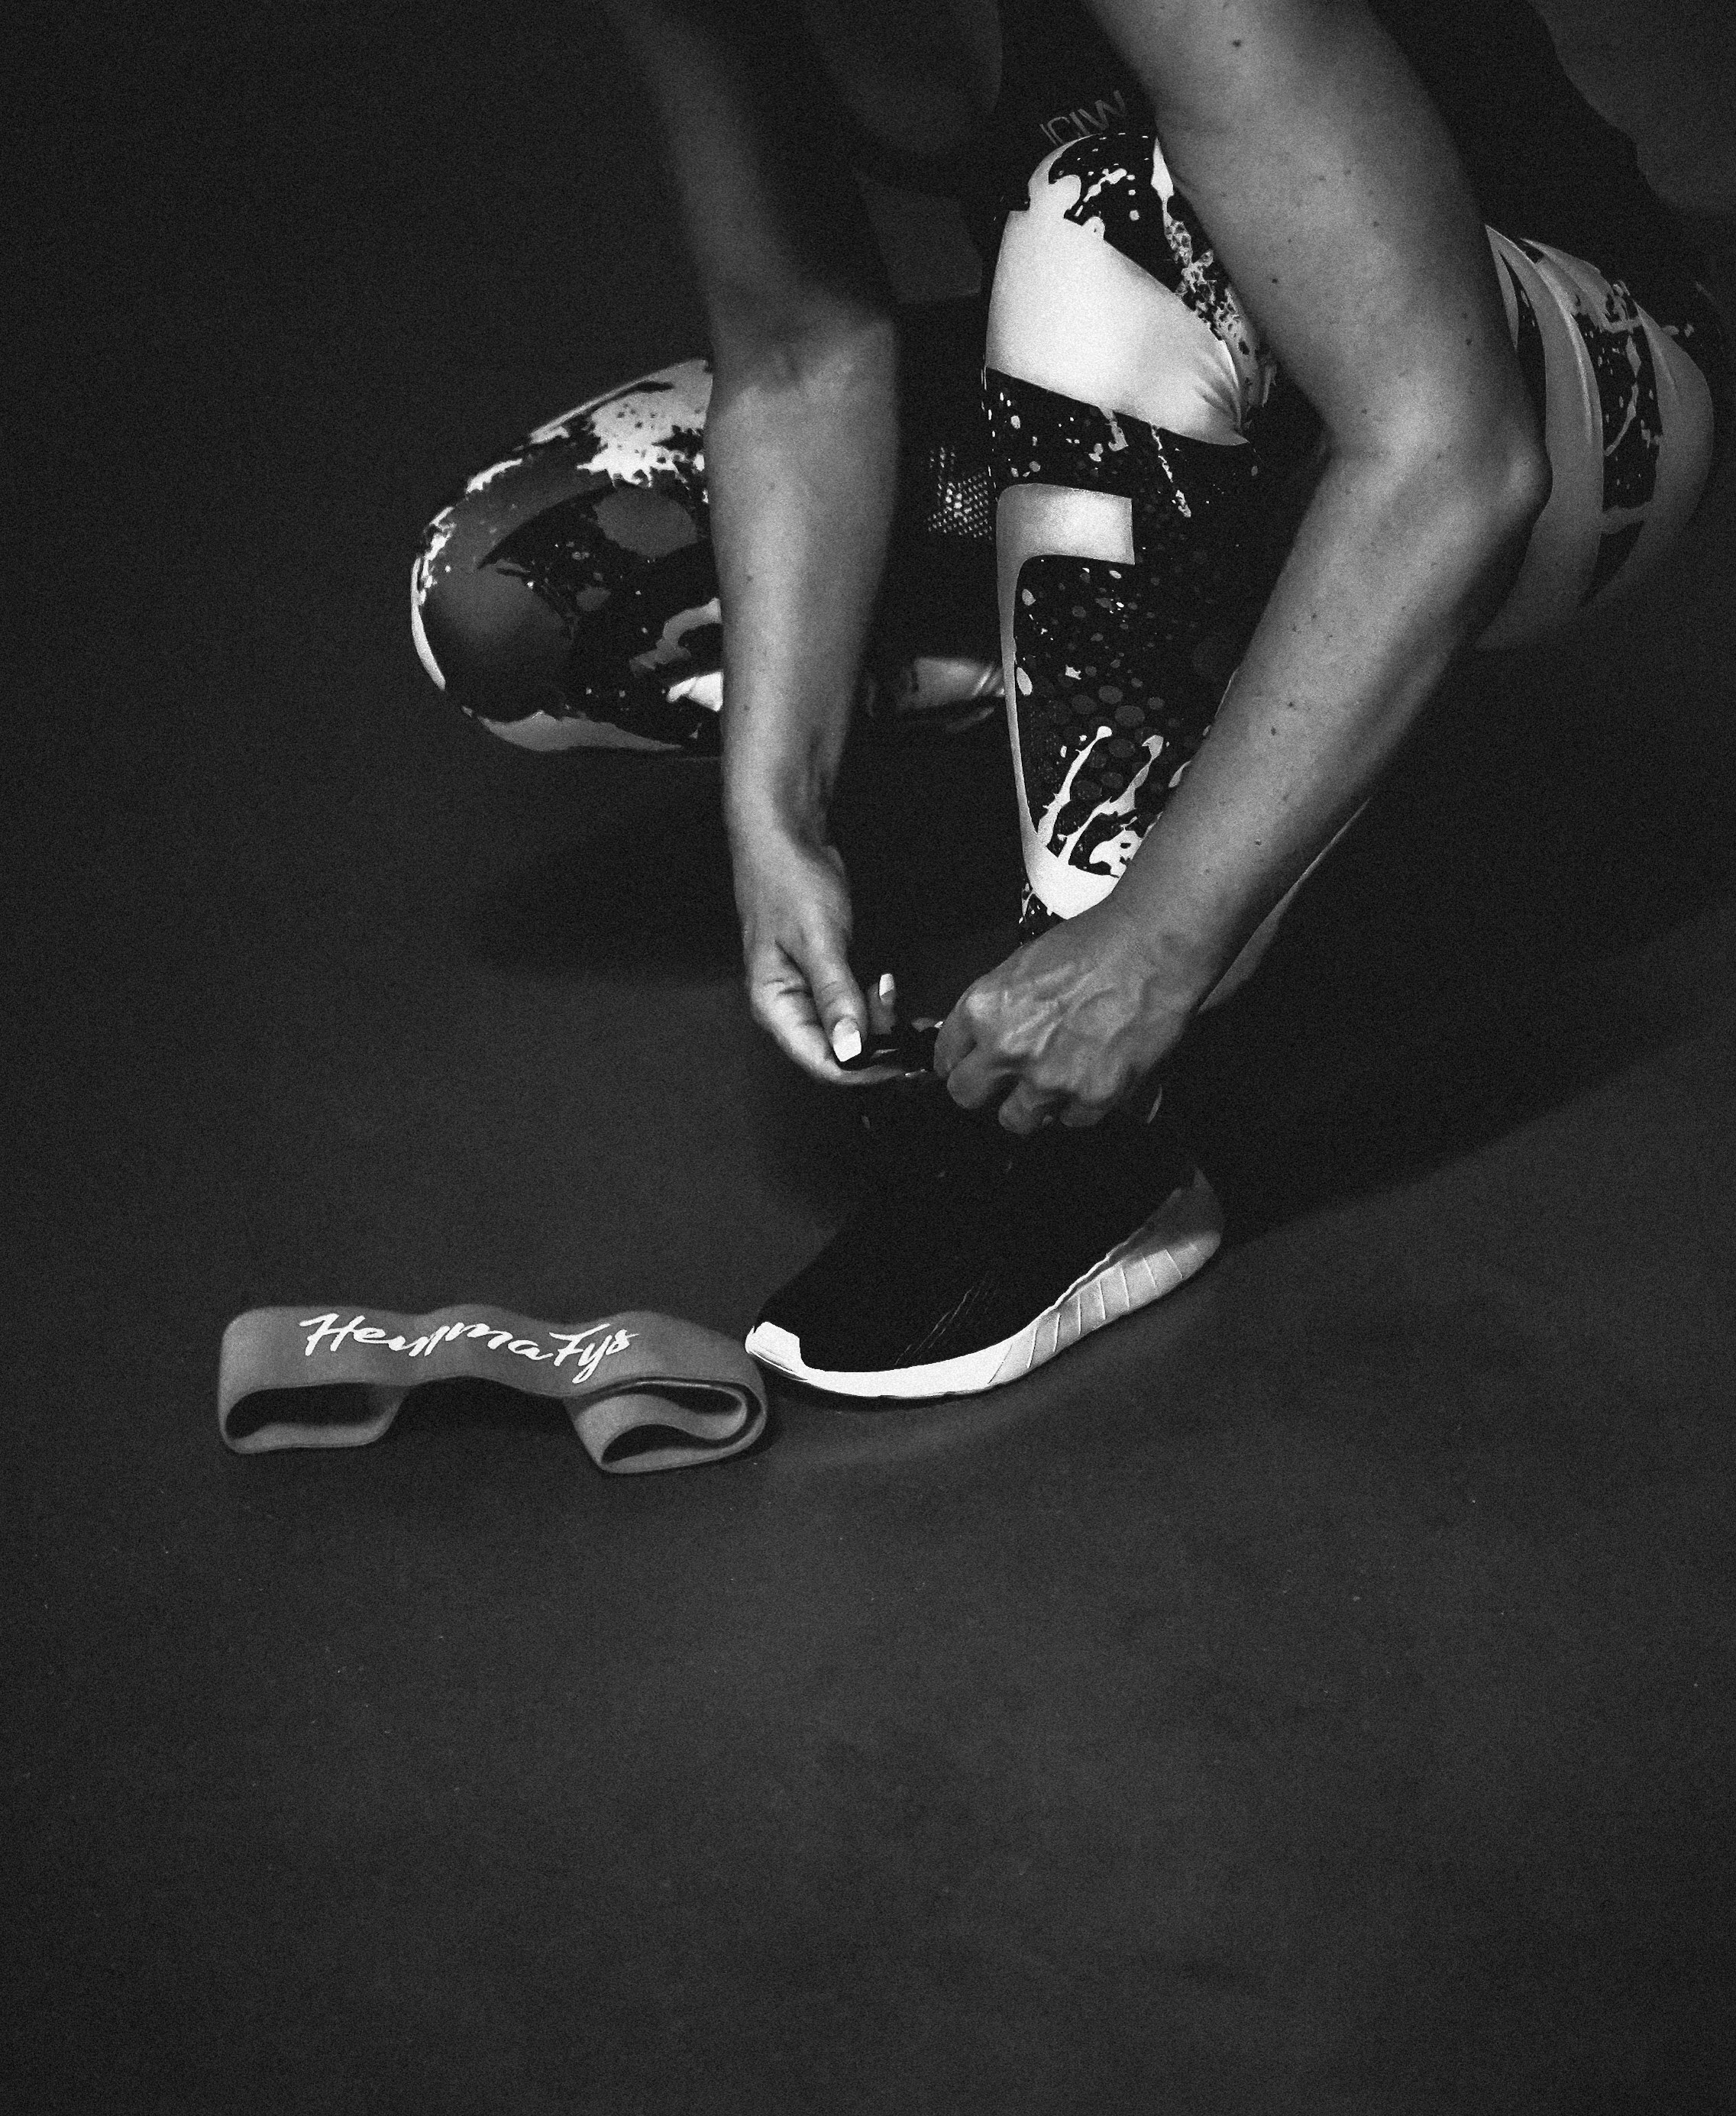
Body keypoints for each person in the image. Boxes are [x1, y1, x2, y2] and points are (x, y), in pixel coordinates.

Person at [413, 3, 1729, 1400]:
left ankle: (1101, 1150)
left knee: (1103, 215)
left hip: (1553, 386)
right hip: (1191, 377)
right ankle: (1203, 691)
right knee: (530, 588)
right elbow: (799, 350)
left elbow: (1457, 455)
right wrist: (775, 810)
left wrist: (1150, 948)